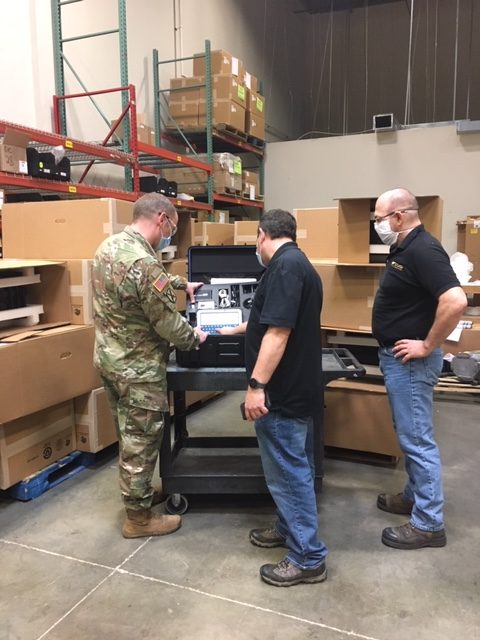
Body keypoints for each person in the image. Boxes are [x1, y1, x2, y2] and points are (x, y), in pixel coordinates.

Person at [92, 192, 207, 539]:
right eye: (172, 225)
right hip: (138, 368)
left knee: (129, 435)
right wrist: (194, 337)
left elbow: (134, 287)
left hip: (110, 360)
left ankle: (137, 496)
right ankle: (138, 519)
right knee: (141, 439)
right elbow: (166, 322)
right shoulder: (143, 262)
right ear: (161, 218)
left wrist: (180, 283)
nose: (170, 232)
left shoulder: (109, 248)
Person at [234, 209, 328, 587]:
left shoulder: (286, 269)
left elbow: (278, 333)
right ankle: (290, 530)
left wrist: (257, 386)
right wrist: (230, 328)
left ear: (261, 235)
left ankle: (308, 557)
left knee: (288, 474)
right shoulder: (295, 264)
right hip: (295, 388)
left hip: (281, 394)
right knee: (293, 468)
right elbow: (265, 321)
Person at [372, 188, 467, 550]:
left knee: (417, 439)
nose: (378, 225)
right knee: (408, 432)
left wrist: (427, 345)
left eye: (380, 219)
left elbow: (455, 300)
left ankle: (428, 523)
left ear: (399, 216)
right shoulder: (405, 249)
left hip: (411, 362)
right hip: (398, 360)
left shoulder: (423, 250)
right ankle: (414, 496)